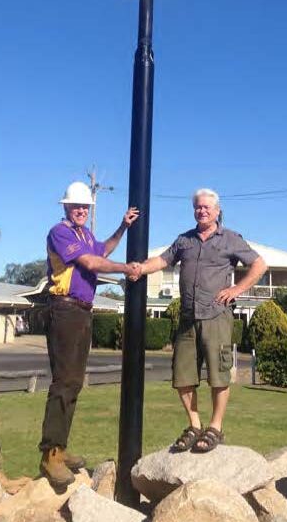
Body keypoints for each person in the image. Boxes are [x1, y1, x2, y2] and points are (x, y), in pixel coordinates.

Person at [128, 188, 266, 453]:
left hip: (216, 315)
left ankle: (215, 426)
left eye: (206, 207)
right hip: (188, 317)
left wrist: (236, 290)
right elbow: (163, 259)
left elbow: (259, 265)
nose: (202, 211)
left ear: (217, 211)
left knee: (218, 374)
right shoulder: (185, 240)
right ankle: (194, 424)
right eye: (198, 207)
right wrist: (141, 268)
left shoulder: (231, 239)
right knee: (183, 375)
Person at [36, 180, 140, 488]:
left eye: (86, 207)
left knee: (74, 382)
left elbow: (101, 249)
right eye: (77, 206)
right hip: (64, 308)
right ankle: (50, 453)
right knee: (64, 381)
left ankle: (60, 448)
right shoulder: (61, 232)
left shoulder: (84, 234)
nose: (82, 210)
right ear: (66, 207)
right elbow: (91, 262)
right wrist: (127, 268)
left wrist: (122, 228)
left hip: (82, 310)